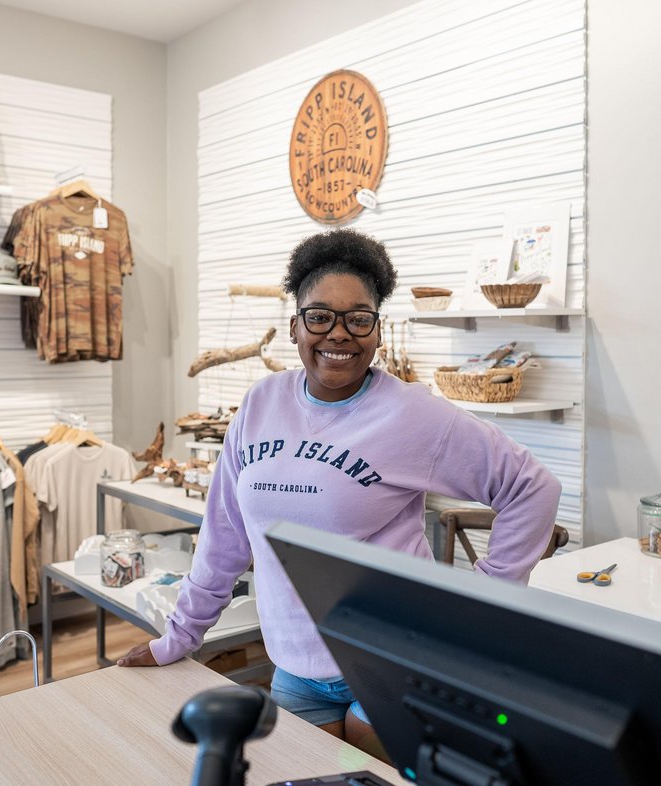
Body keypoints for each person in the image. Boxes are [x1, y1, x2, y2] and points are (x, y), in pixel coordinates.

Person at [119, 229, 561, 755]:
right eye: (320, 316)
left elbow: (531, 488)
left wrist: (482, 606)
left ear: (377, 332)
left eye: (358, 319)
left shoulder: (411, 414)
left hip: (394, 661)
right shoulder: (260, 404)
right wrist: (180, 635)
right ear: (294, 326)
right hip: (294, 665)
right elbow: (225, 537)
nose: (339, 333)